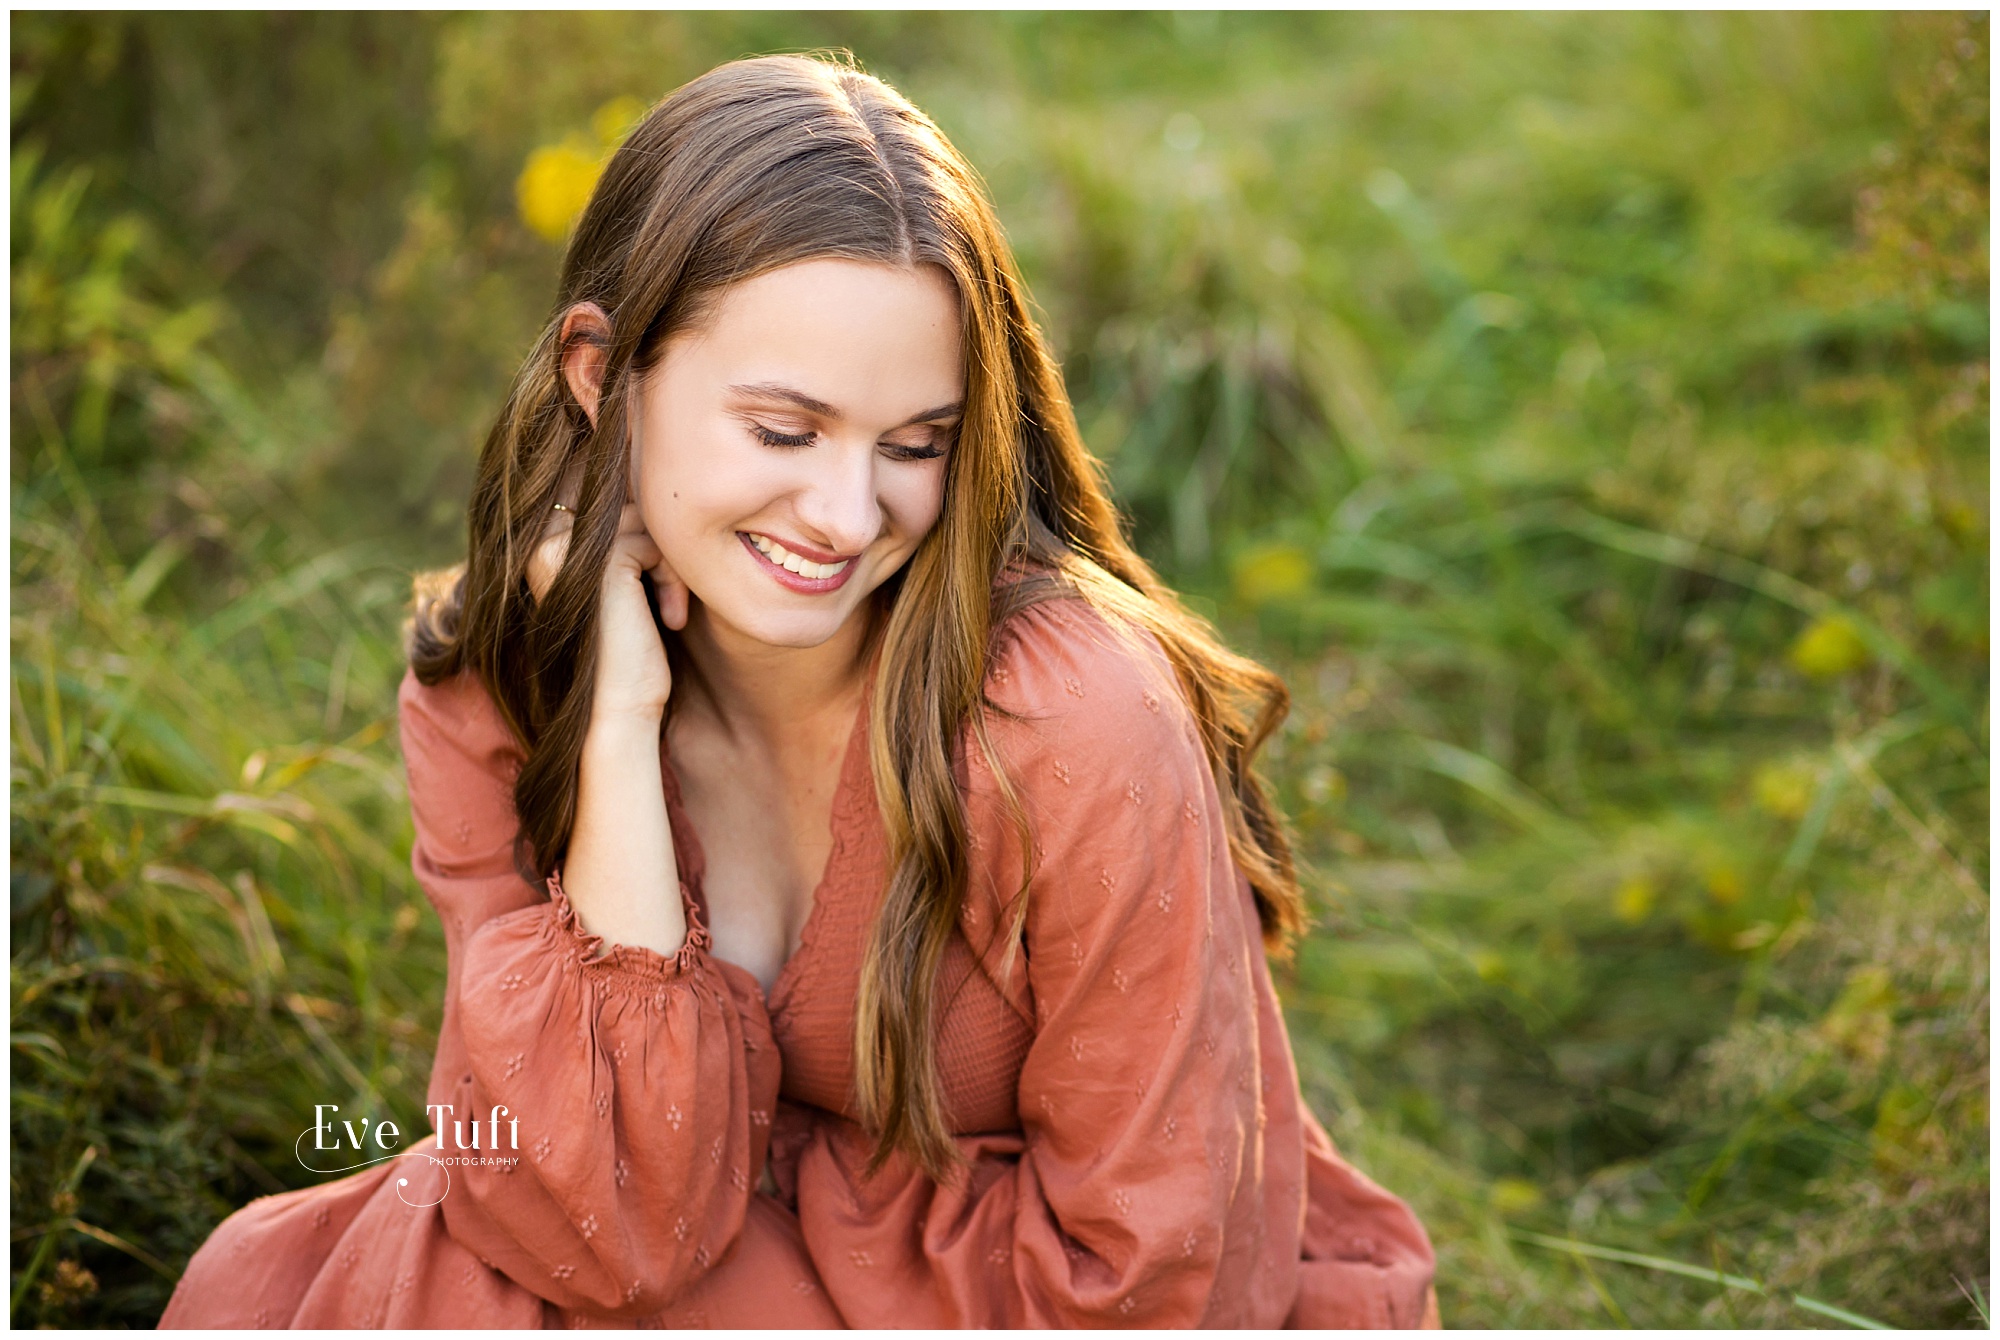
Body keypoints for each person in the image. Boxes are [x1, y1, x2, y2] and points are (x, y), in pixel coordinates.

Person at [159, 53, 1438, 1329]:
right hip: (681, 1254)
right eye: (782, 430)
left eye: (912, 446)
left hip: (1014, 1299)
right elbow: (571, 1199)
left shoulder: (1069, 728)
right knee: (363, 1272)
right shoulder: (496, 695)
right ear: (602, 374)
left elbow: (1158, 1268)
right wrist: (614, 724)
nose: (841, 515)